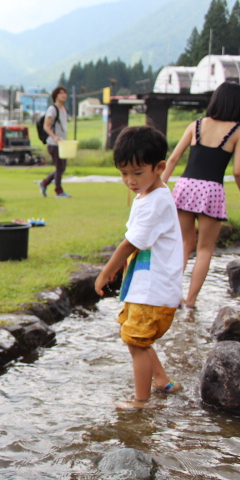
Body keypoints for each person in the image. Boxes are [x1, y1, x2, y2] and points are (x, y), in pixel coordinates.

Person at [95, 126, 183, 409]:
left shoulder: (154, 202)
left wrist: (107, 271)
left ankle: (141, 402)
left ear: (159, 168)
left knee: (137, 342)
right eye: (123, 173)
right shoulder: (150, 193)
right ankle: (162, 381)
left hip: (153, 292)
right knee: (136, 337)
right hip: (147, 287)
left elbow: (129, 244)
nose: (130, 181)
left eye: (137, 172)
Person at [162, 81, 240, 309]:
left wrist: (157, 187)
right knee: (205, 249)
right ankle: (190, 302)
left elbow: (174, 158)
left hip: (186, 186)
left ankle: (171, 296)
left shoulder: (196, 125)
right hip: (212, 190)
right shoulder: (236, 130)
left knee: (184, 244)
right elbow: (237, 171)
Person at [38, 86, 71, 198]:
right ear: (56, 95)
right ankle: (58, 191)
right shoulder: (52, 109)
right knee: (59, 167)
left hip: (62, 144)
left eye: (65, 93)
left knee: (61, 167)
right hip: (53, 143)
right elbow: (46, 126)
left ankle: (44, 183)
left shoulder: (64, 109)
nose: (64, 95)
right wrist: (55, 137)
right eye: (61, 93)